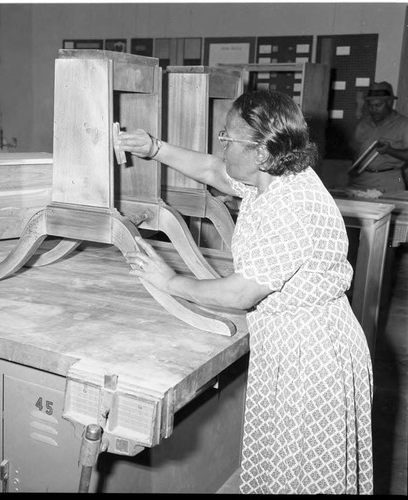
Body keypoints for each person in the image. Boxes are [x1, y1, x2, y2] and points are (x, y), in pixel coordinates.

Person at [117, 89, 373, 495]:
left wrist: (170, 281)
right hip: (292, 346)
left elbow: (240, 295)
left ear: (261, 153)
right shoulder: (273, 178)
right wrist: (154, 147)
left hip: (312, 355)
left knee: (304, 475)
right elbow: (214, 171)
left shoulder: (290, 206)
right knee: (283, 467)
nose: (222, 144)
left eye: (227, 138)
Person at [348, 81, 408, 194]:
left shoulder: (404, 125)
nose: (373, 109)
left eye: (378, 105)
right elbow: (354, 153)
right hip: (360, 181)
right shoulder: (362, 125)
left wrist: (390, 150)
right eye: (370, 105)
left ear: (390, 102)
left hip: (388, 181)